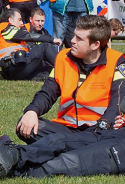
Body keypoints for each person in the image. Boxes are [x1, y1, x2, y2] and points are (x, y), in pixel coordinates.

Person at [16, 15, 125, 145]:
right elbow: (47, 93)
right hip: (66, 128)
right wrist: (32, 111)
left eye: (79, 39)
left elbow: (117, 104)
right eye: (74, 35)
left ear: (95, 45)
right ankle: (72, 149)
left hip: (98, 130)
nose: (72, 40)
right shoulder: (63, 57)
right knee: (25, 124)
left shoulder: (117, 62)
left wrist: (102, 127)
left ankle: (61, 147)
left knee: (108, 140)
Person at [0, 122, 125, 178]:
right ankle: (12, 155)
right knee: (60, 140)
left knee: (72, 161)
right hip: (116, 133)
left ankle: (3, 169)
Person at [0, 9, 61, 81]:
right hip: (15, 68)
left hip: (18, 68)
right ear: (11, 20)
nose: (22, 22)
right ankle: (64, 67)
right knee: (44, 46)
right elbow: (30, 36)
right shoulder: (8, 30)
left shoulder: (4, 30)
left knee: (49, 70)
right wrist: (52, 40)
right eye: (19, 20)